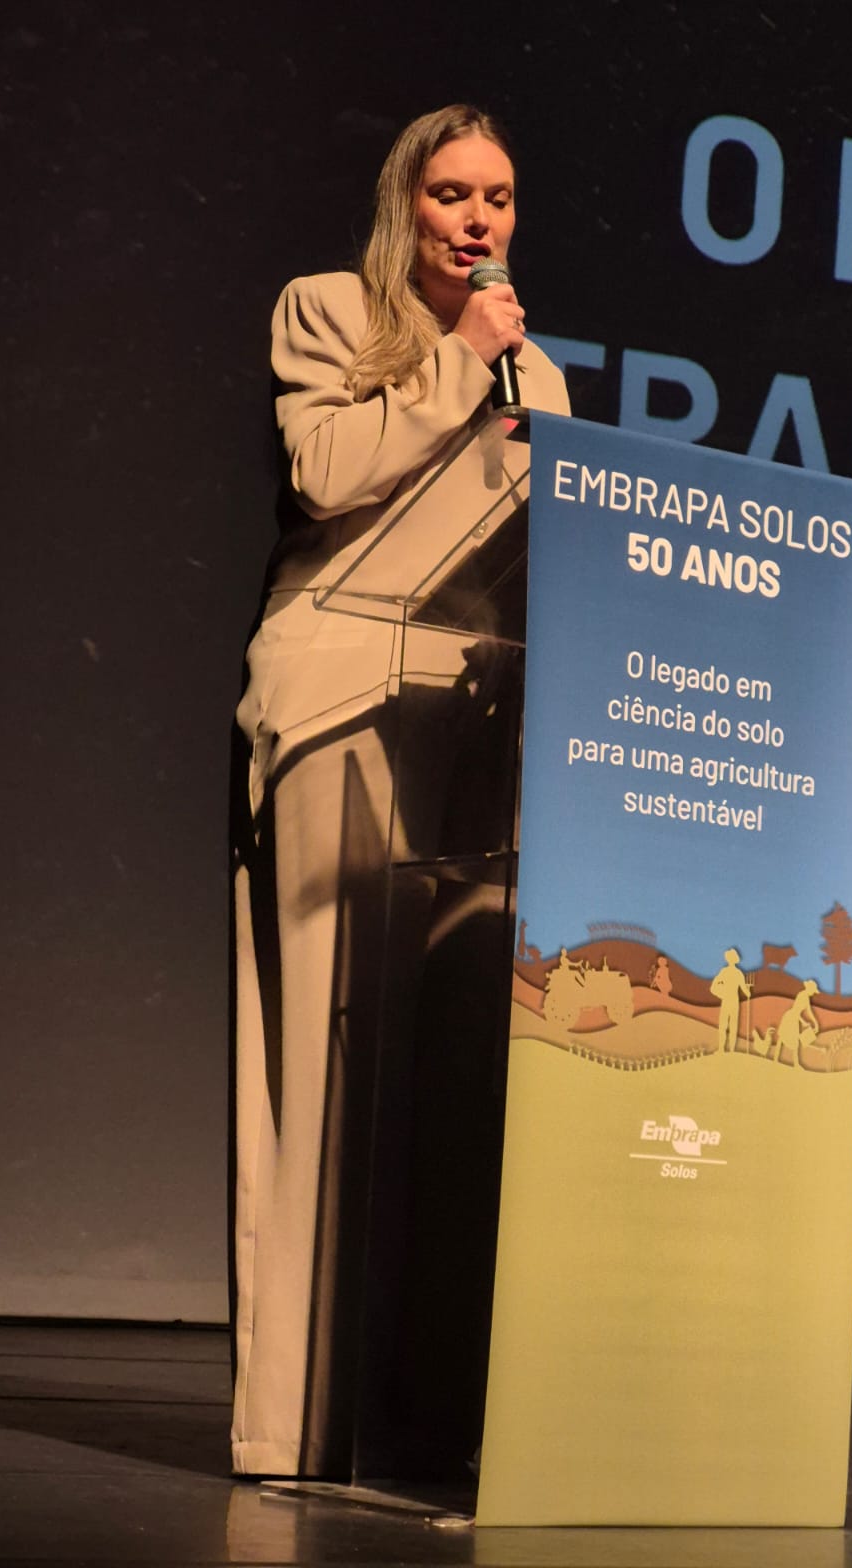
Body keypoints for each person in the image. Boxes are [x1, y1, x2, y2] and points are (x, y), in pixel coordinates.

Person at [230, 104, 569, 1479]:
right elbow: (323, 474)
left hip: (477, 719)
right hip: (338, 694)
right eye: (451, 193)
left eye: (499, 196)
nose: (478, 219)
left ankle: (423, 1417)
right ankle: (295, 1419)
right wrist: (455, 364)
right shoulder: (330, 311)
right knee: (329, 1062)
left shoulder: (539, 376)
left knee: (455, 1077)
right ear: (405, 205)